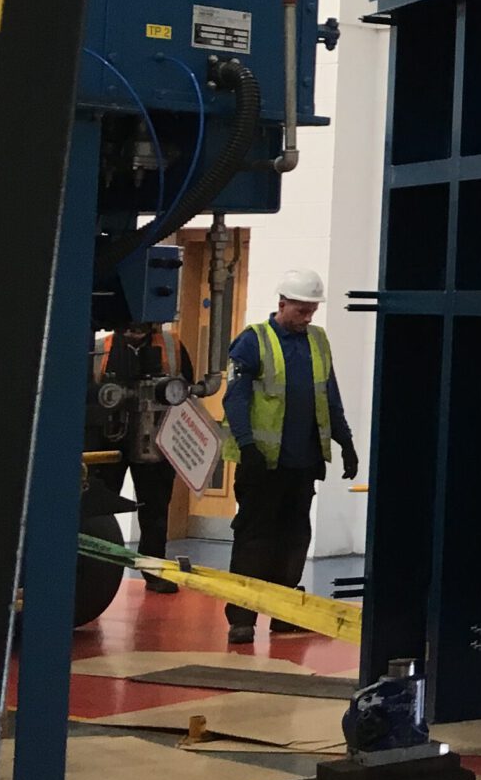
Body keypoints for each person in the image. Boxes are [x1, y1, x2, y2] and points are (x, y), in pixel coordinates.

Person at [220, 267, 357, 644]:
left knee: (294, 539)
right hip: (263, 463)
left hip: (302, 462)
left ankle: (284, 615)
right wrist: (247, 445)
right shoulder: (253, 341)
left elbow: (330, 396)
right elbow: (236, 397)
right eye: (301, 310)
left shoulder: (318, 341)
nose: (308, 317)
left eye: (312, 310)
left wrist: (345, 443)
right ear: (282, 303)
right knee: (254, 540)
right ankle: (242, 618)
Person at [87, 324, 194, 592]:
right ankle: (97, 571)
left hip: (156, 443)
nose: (135, 328)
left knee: (155, 508)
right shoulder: (101, 349)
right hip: (109, 442)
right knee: (101, 508)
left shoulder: (173, 347)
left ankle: (154, 570)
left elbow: (187, 393)